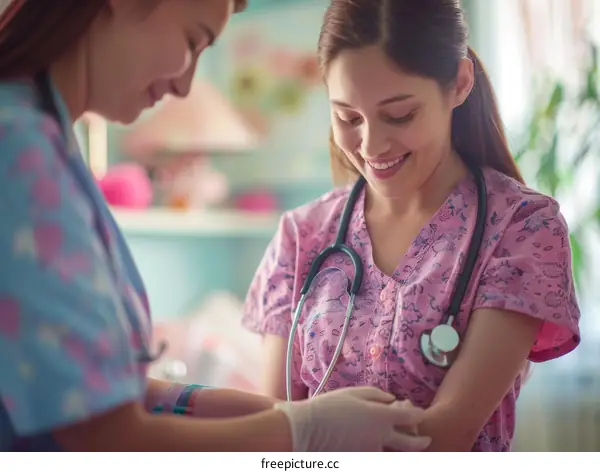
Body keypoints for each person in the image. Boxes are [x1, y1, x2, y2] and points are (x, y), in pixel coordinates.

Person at [0, 0, 433, 452]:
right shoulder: (19, 152)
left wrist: (244, 409)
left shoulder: (41, 136)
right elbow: (104, 438)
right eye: (193, 41)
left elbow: (87, 390)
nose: (187, 85)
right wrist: (302, 433)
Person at [242, 0, 582, 452]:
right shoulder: (302, 236)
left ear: (459, 84)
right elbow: (275, 431)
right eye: (347, 117)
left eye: (399, 115)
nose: (371, 145)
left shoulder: (521, 229)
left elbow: (446, 436)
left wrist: (311, 432)